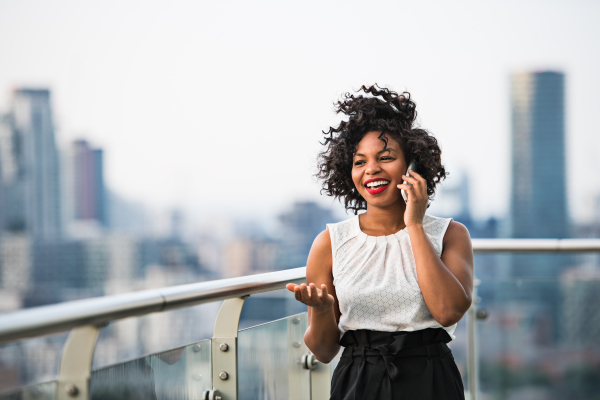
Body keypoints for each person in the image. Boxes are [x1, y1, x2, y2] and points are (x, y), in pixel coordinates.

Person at [286, 84, 473, 399]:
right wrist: (322, 310)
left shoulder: (451, 234)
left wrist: (414, 224)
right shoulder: (330, 242)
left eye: (385, 157)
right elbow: (323, 351)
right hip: (357, 381)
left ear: (412, 165)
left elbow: (448, 312)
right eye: (360, 161)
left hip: (430, 379)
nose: (371, 169)